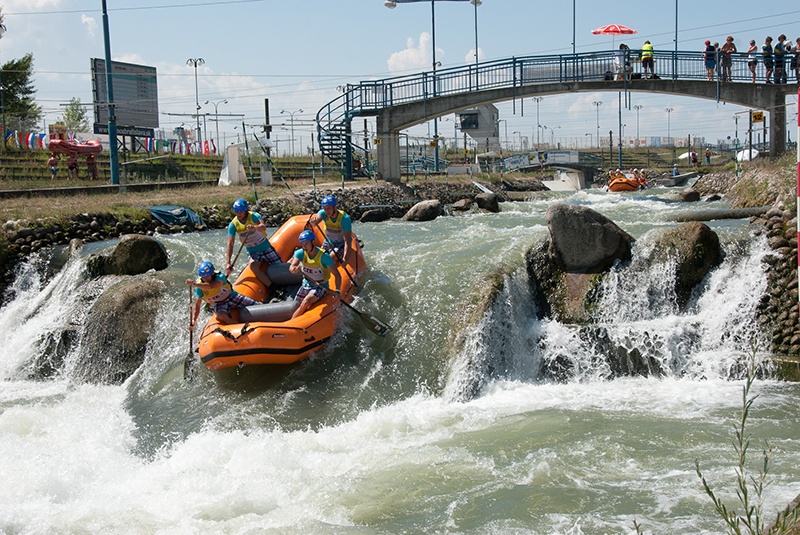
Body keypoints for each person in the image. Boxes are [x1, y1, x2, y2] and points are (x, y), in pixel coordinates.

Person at [225, 198, 281, 289]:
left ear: (246, 210)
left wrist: (254, 227)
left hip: (265, 247)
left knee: (280, 267)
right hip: (252, 251)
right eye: (236, 212)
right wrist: (228, 263)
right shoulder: (233, 224)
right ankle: (273, 288)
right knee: (254, 267)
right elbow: (230, 244)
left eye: (241, 212)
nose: (238, 214)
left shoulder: (254, 216)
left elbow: (263, 227)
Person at [186, 261, 259, 327]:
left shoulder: (220, 277)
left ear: (212, 273)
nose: (205, 279)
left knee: (256, 305)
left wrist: (194, 284)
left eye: (207, 276)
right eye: (203, 277)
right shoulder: (199, 287)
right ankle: (240, 327)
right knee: (221, 316)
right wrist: (193, 320)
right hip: (219, 303)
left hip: (232, 296)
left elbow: (212, 286)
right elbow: (197, 305)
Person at [288, 230, 341, 319]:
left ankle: (291, 324)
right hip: (306, 284)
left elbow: (337, 274)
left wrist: (338, 290)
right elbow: (292, 266)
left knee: (306, 301)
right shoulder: (300, 253)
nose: (304, 247)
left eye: (306, 244)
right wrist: (293, 269)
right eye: (302, 244)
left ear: (313, 242)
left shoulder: (324, 257)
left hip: (320, 286)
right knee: (296, 306)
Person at [308, 195, 353, 264]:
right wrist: (314, 222)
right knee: (318, 258)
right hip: (328, 242)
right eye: (325, 208)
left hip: (341, 244)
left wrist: (345, 259)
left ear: (334, 207)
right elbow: (317, 220)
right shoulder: (323, 213)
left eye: (328, 208)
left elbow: (347, 241)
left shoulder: (344, 218)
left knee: (330, 258)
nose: (326, 211)